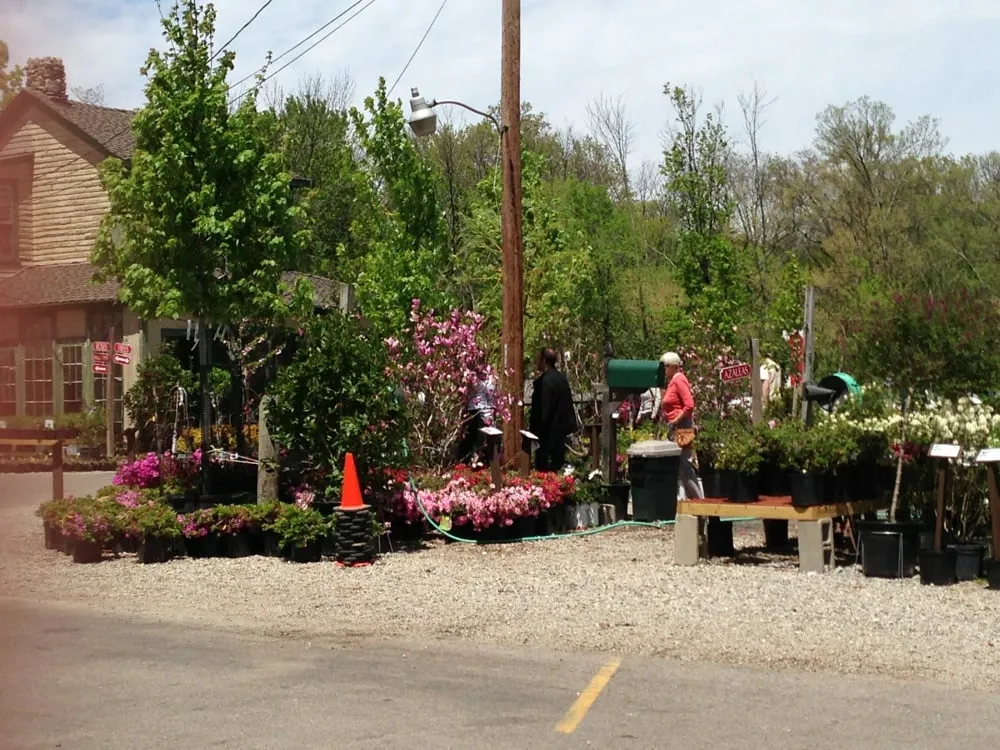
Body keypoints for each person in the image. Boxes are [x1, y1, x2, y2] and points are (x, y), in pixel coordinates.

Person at [659, 351, 704, 500]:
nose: (664, 370)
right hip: (676, 426)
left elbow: (689, 405)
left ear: (673, 366)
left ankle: (698, 500)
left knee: (685, 465)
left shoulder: (679, 380)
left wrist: (676, 420)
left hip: (683, 425)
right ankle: (692, 499)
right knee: (680, 466)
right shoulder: (672, 381)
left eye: (665, 366)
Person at [529, 347, 577, 471]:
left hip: (547, 434)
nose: (536, 362)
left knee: (545, 470)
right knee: (558, 466)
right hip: (561, 432)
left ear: (544, 360)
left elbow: (544, 410)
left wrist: (536, 430)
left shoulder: (545, 382)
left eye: (538, 359)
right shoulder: (562, 379)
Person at [457, 372, 496, 464]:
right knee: (471, 436)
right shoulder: (469, 375)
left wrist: (490, 410)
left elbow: (490, 395)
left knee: (480, 437)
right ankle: (468, 459)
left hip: (482, 410)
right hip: (473, 410)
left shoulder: (487, 379)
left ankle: (479, 459)